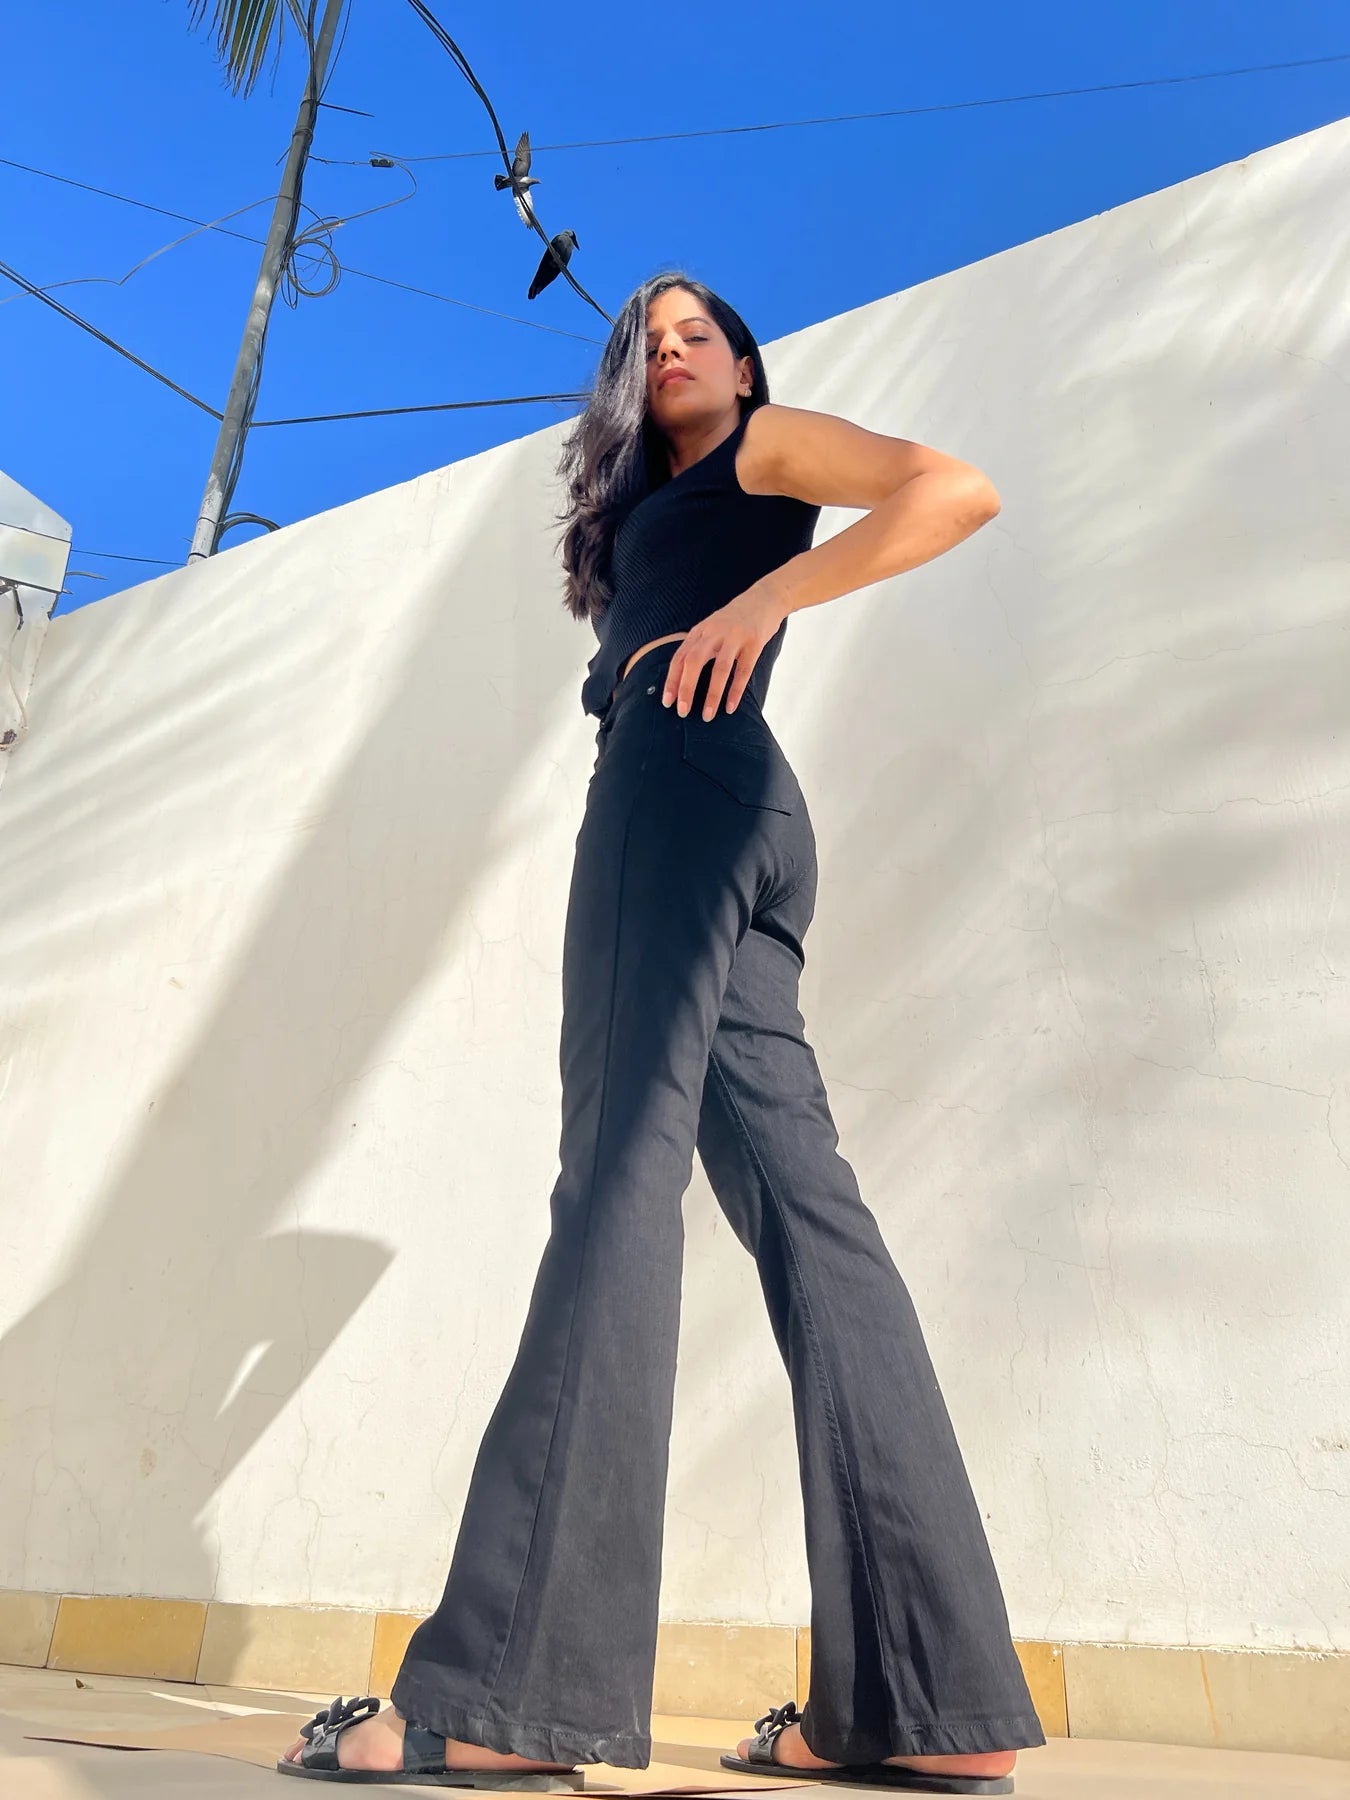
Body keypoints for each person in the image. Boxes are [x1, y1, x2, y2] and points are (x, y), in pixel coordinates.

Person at [279, 271, 1046, 1794]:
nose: (673, 347)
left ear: (743, 365)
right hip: (744, 811)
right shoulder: (653, 502)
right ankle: (933, 1708)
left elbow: (952, 488)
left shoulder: (765, 446)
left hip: (681, 783)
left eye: (700, 331)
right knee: (815, 1225)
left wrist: (764, 600)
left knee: (616, 1176)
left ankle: (506, 1698)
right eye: (647, 337)